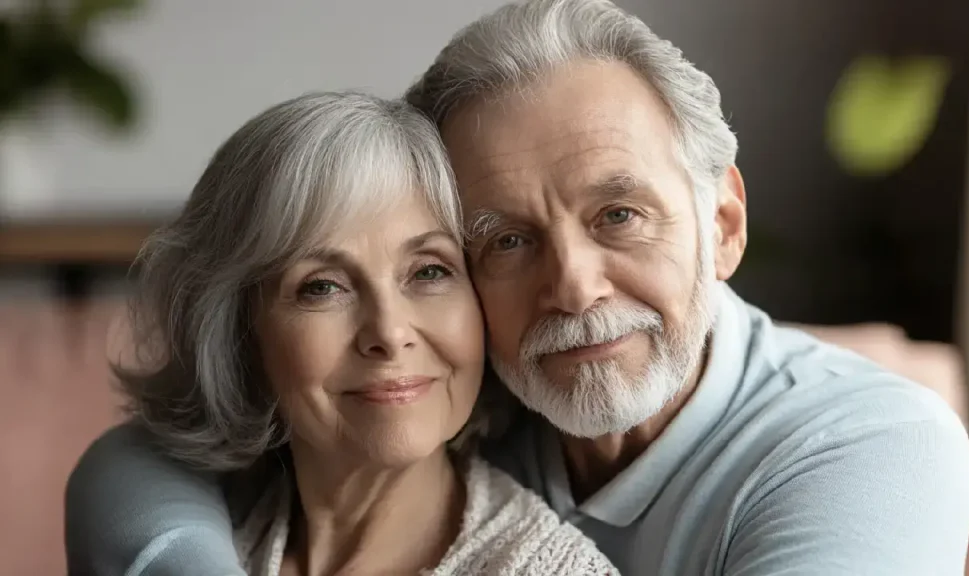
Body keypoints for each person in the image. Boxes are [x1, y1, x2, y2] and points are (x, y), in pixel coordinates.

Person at [66, 1, 969, 574]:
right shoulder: (462, 390)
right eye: (505, 240)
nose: (572, 288)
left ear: (724, 225)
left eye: (619, 214)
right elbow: (141, 458)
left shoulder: (869, 447)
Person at [63, 90, 618, 575]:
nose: (389, 332)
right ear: (239, 331)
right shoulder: (196, 517)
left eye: (429, 271)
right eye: (322, 287)